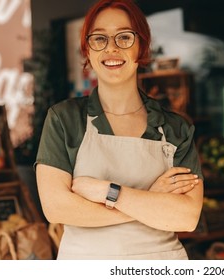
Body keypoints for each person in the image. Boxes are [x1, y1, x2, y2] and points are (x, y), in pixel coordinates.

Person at [35, 0, 203, 260]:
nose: (111, 48)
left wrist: (109, 193)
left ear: (142, 47)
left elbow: (186, 217)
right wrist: (149, 200)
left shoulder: (175, 128)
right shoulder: (64, 119)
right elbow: (56, 208)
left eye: (124, 37)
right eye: (99, 38)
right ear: (87, 50)